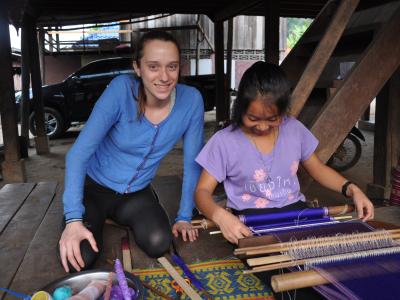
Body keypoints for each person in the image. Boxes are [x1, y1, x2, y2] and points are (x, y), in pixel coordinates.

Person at [59, 30, 204, 273]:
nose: (164, 76)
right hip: (93, 189)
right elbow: (77, 154)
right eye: (153, 66)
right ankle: (86, 218)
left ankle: (113, 217)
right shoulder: (121, 90)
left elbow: (192, 163)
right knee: (79, 259)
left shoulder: (191, 101)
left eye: (172, 66)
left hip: (135, 194)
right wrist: (73, 219)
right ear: (138, 67)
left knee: (159, 243)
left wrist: (184, 216)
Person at [195, 61, 374, 245]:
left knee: (333, 249)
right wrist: (221, 217)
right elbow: (201, 192)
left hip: (296, 213)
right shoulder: (224, 141)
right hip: (252, 220)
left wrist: (353, 190)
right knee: (275, 265)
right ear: (240, 108)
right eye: (253, 118)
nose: (263, 127)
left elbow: (318, 169)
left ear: (284, 111)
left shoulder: (294, 129)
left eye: (273, 119)